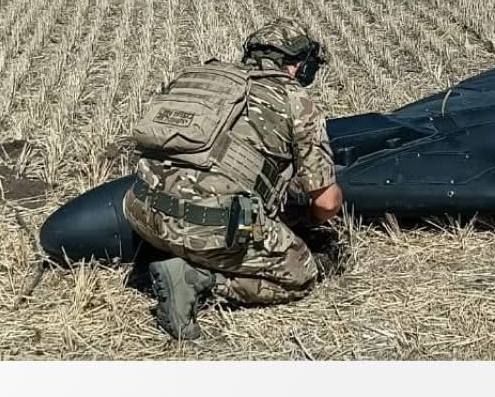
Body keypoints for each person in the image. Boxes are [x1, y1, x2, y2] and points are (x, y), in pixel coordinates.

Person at [122, 18, 343, 340]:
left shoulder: (199, 77)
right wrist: (311, 220)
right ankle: (197, 279)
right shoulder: (295, 100)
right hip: (205, 230)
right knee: (300, 274)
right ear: (298, 65)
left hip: (141, 212)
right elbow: (326, 201)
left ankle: (167, 254)